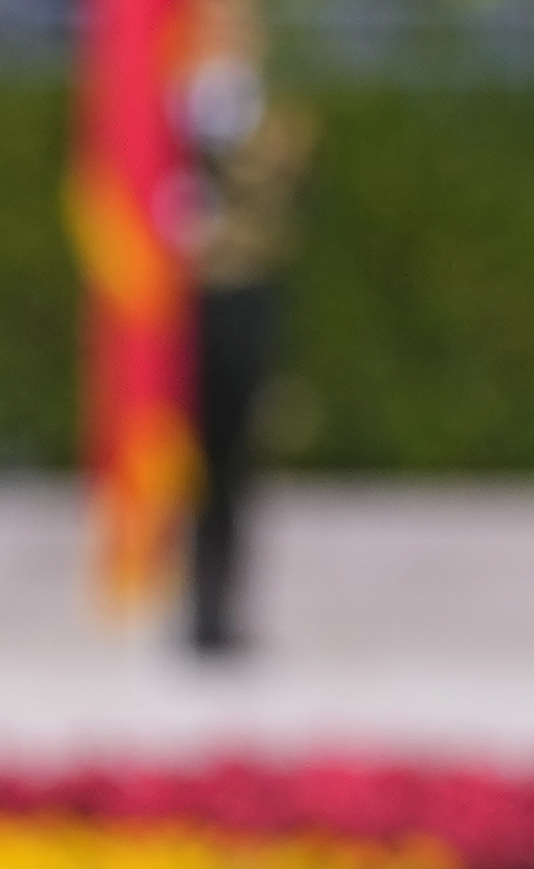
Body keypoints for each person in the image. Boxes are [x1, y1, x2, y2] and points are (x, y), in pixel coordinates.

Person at [178, 0, 316, 664]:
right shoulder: (174, 110)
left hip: (245, 294)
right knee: (184, 454)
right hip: (183, 300)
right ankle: (188, 599)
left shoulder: (269, 113)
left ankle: (226, 601)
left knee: (237, 455)